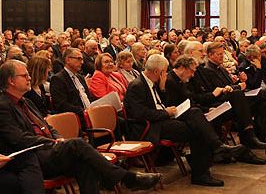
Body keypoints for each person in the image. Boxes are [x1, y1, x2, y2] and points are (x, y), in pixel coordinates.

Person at [0, 59, 161, 193]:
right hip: (34, 156)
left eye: (28, 74)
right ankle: (127, 178)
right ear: (11, 80)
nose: (29, 78)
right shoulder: (4, 105)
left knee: (85, 164)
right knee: (77, 144)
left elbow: (47, 126)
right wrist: (51, 142)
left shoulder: (25, 101)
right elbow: (17, 138)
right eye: (24, 75)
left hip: (50, 149)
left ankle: (124, 179)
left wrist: (57, 137)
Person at [124, 54, 241, 187]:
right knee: (197, 130)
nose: (166, 74)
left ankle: (215, 151)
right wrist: (165, 113)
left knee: (195, 113)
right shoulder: (137, 85)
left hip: (162, 119)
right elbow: (139, 113)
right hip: (150, 126)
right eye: (164, 71)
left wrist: (162, 90)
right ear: (157, 71)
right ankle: (204, 169)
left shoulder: (152, 82)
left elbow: (158, 102)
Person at [50, 48, 94, 127]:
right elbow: (61, 105)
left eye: (82, 59)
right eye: (79, 59)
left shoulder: (80, 77)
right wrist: (83, 111)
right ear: (68, 60)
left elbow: (88, 97)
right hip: (75, 118)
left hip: (89, 113)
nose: (82, 62)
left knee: (112, 118)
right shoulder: (58, 79)